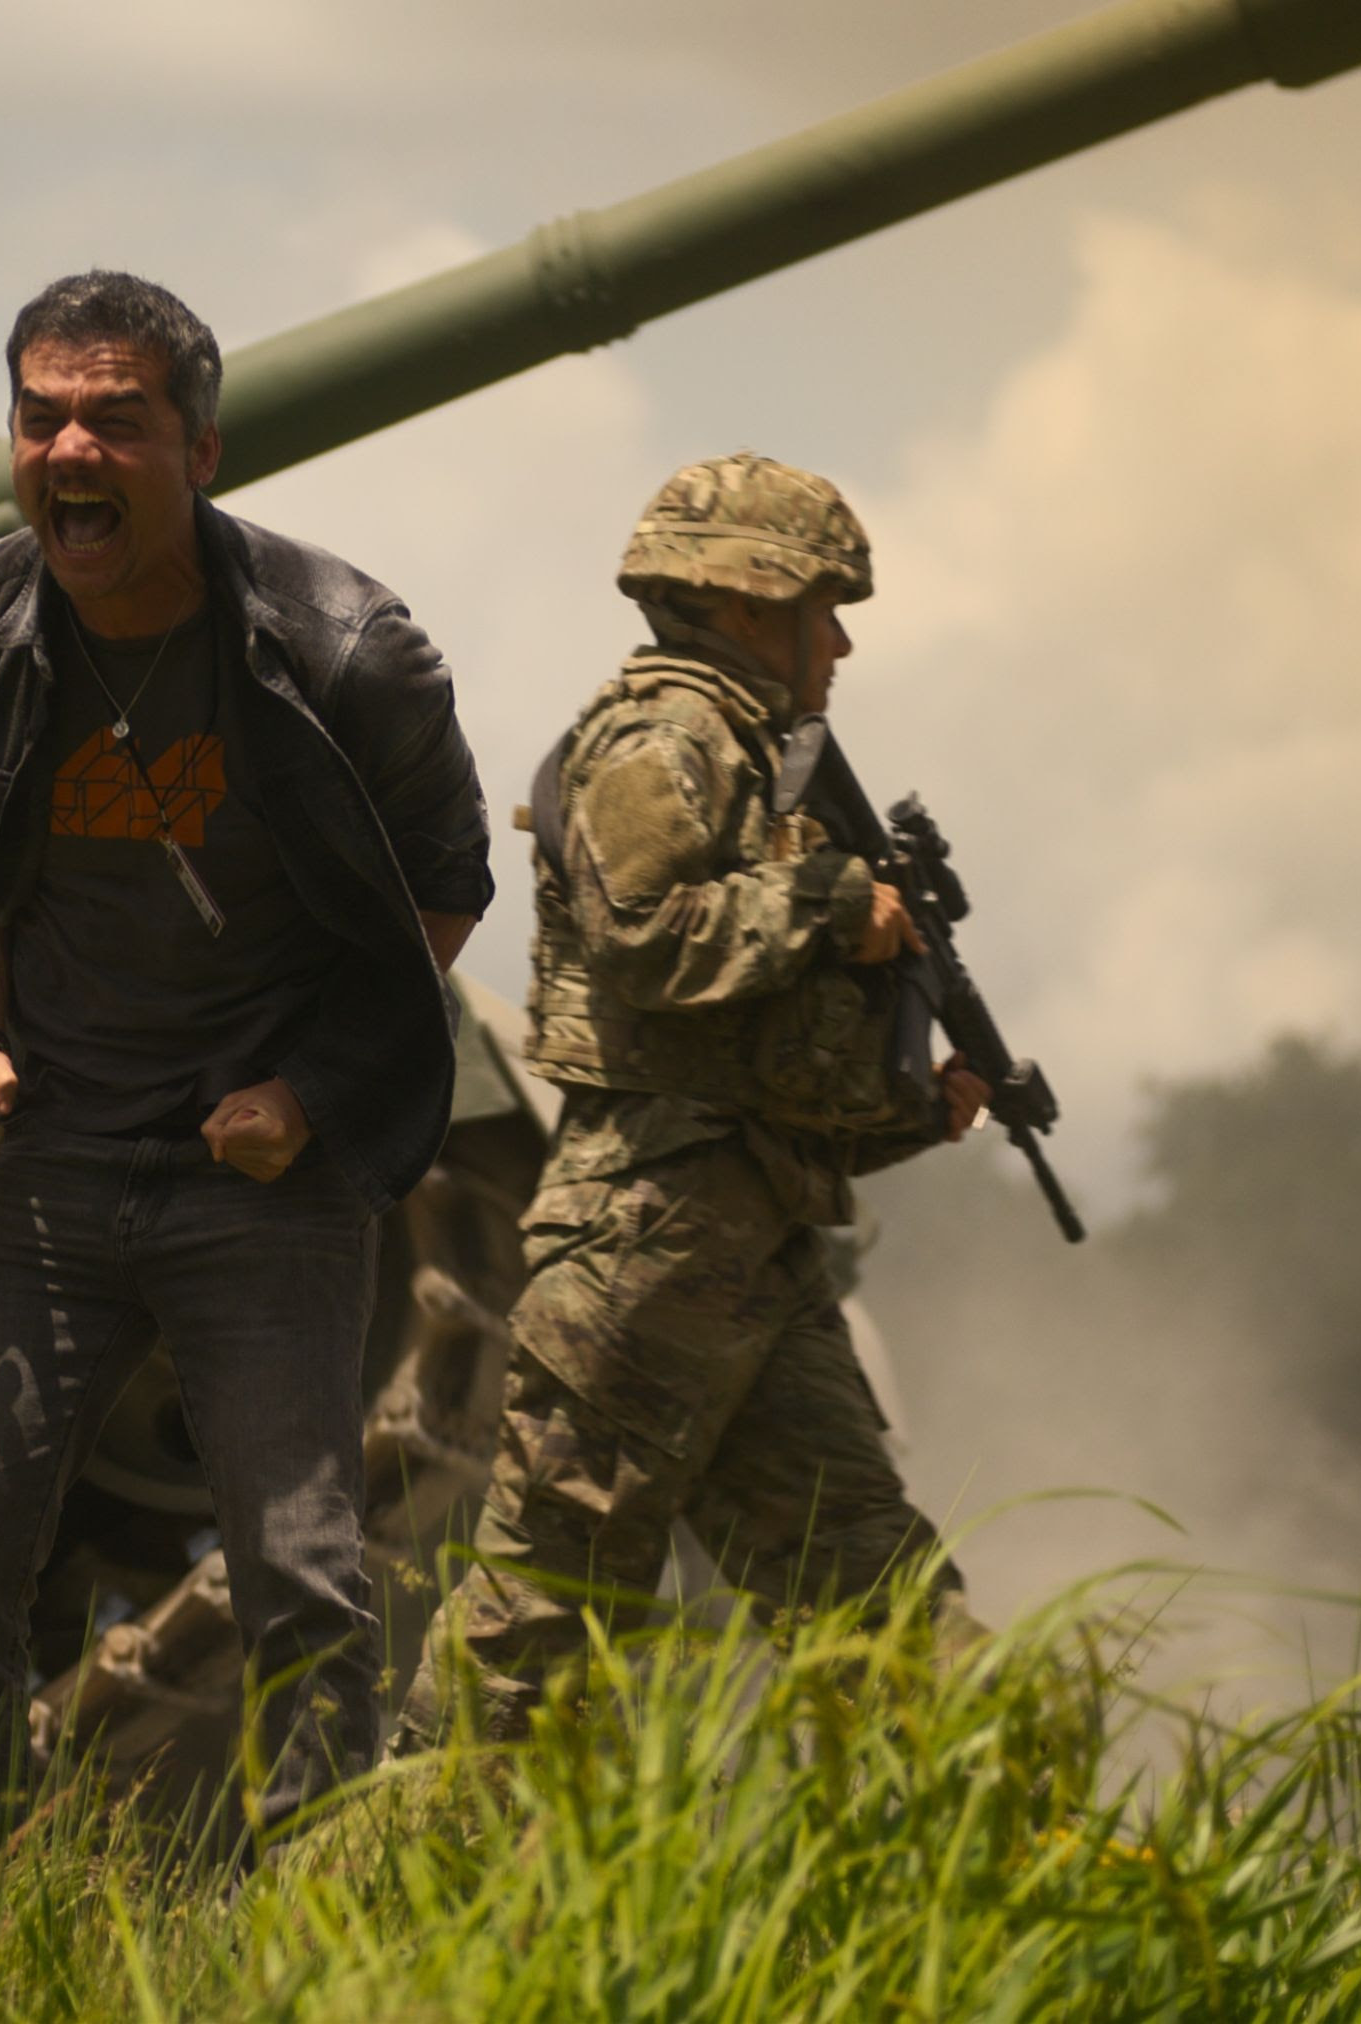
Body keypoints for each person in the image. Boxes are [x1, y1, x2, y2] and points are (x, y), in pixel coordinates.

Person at [0, 270, 491, 1833]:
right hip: (45, 1163)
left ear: (202, 451)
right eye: (40, 418)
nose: (69, 451)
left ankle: (311, 1908)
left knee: (300, 1568)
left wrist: (314, 1094)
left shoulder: (346, 652)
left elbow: (447, 884)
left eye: (116, 421)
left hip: (258, 1177)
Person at [397, 453, 987, 1749]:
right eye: (821, 609)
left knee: (869, 1588)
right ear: (744, 602)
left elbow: (749, 1064)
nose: (835, 644)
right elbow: (647, 941)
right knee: (542, 1608)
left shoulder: (746, 752)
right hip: (643, 1241)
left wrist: (903, 1109)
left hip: (734, 1245)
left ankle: (1031, 1868)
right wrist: (833, 908)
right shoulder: (668, 736)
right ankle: (378, 1902)